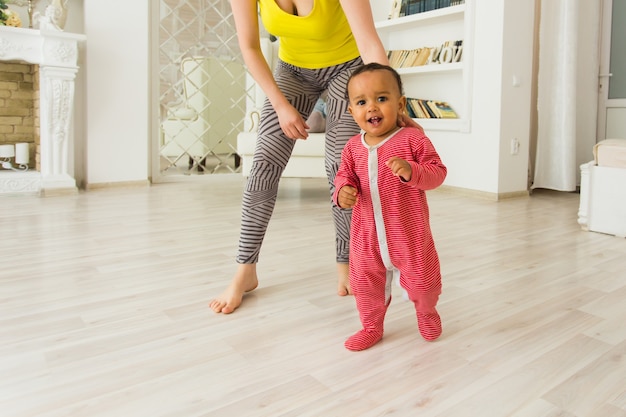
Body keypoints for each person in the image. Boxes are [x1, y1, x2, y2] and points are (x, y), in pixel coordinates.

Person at [210, 0, 420, 314]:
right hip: (292, 71)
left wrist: (394, 106)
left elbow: (368, 41)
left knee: (341, 164)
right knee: (264, 161)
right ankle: (245, 269)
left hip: (346, 70)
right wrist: (281, 106)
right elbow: (250, 48)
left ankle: (347, 260)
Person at [333, 63, 447, 351]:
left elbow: (437, 172)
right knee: (364, 285)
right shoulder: (351, 148)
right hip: (366, 237)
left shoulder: (412, 140)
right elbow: (344, 176)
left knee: (423, 282)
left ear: (400, 104)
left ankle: (426, 311)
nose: (372, 107)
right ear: (352, 111)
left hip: (408, 234)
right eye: (362, 102)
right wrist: (342, 192)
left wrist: (412, 171)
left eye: (381, 99)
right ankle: (371, 326)